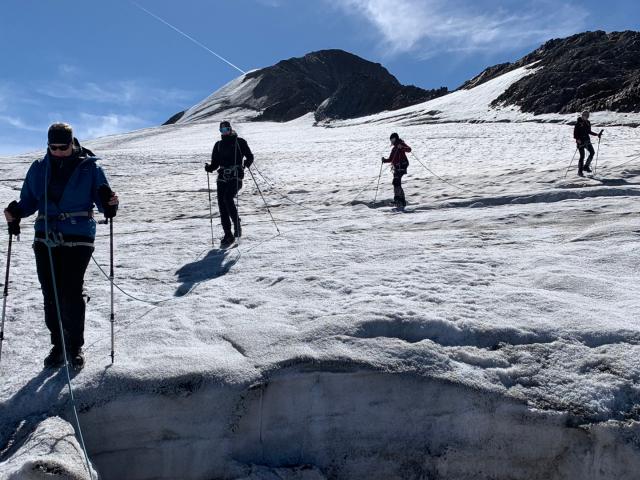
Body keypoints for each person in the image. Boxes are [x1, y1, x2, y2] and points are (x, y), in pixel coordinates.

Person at [3, 123, 119, 369]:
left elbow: (103, 201)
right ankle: (58, 345)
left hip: (78, 236)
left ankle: (74, 346)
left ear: (72, 143)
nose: (57, 151)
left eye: (62, 147)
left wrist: (110, 204)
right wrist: (15, 213)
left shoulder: (90, 167)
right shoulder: (39, 168)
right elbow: (29, 201)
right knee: (51, 292)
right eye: (52, 147)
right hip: (45, 236)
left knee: (70, 290)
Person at [204, 121, 254, 247]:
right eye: (222, 130)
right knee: (222, 206)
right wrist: (209, 168)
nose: (224, 132)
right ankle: (228, 234)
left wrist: (247, 163)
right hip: (222, 177)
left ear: (230, 129)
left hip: (236, 175)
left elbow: (249, 156)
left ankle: (237, 225)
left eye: (226, 129)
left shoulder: (240, 142)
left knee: (227, 198)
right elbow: (215, 163)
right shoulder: (218, 145)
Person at [382, 132, 411, 209]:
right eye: (391, 140)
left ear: (396, 138)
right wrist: (385, 160)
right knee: (396, 182)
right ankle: (401, 200)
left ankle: (398, 199)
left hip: (402, 165)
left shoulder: (401, 144)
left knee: (396, 181)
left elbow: (409, 149)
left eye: (393, 139)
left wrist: (402, 147)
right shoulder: (394, 148)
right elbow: (391, 159)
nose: (392, 141)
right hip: (396, 167)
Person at [573, 111, 602, 176]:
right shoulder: (578, 123)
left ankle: (586, 166)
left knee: (592, 152)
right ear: (582, 115)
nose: (586, 117)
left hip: (587, 141)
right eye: (585, 115)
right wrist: (578, 140)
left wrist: (597, 134)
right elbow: (575, 134)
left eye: (587, 116)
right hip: (580, 142)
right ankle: (580, 171)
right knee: (582, 156)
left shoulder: (588, 123)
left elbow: (589, 131)